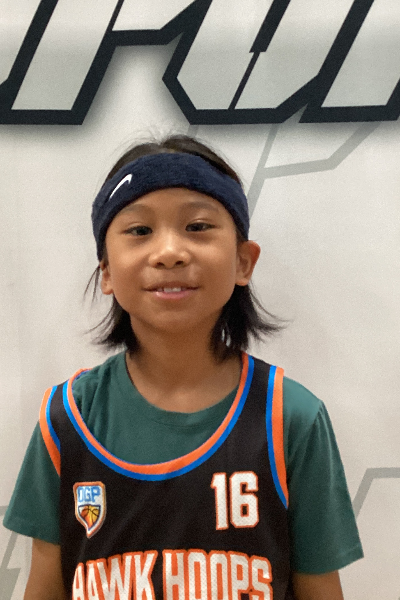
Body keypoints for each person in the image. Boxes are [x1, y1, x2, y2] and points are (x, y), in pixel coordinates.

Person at [4, 135, 363, 600]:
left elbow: (321, 589)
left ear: (243, 261)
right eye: (139, 230)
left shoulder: (289, 417)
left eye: (197, 226)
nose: (169, 251)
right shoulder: (66, 418)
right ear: (106, 271)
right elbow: (45, 586)